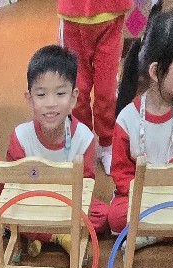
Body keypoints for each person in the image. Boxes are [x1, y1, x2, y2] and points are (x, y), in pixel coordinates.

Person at [6, 45, 111, 254]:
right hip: (34, 203)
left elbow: (86, 185)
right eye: (41, 94)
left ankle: (41, 236)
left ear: (73, 98)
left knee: (103, 216)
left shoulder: (84, 138)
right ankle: (58, 236)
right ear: (29, 99)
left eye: (60, 93)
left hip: (68, 203)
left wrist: (63, 203)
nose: (51, 103)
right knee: (8, 213)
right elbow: (12, 186)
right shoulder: (21, 136)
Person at [108, 9, 173, 234]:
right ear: (155, 71)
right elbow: (122, 175)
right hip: (139, 194)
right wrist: (148, 196)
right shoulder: (127, 119)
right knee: (116, 217)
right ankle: (164, 231)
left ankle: (148, 234)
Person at [57, 0, 132, 173]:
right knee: (77, 90)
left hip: (112, 14)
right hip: (73, 16)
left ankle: (107, 144)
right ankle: (83, 141)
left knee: (107, 90)